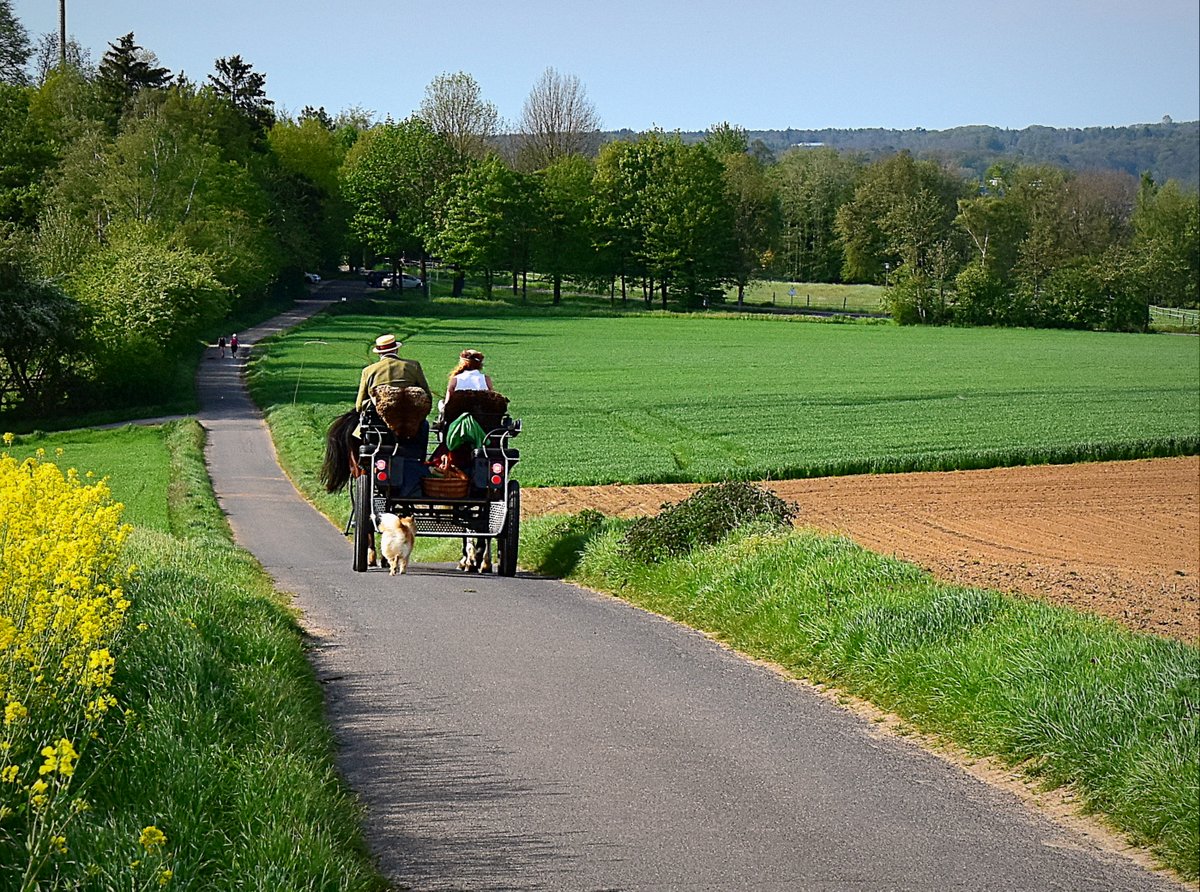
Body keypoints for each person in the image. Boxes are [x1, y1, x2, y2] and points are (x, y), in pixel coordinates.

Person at [355, 333, 432, 413]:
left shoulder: (368, 371)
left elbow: (359, 406)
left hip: (378, 415)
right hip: (408, 414)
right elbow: (427, 396)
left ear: (379, 353)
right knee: (424, 425)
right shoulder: (413, 366)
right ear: (396, 349)